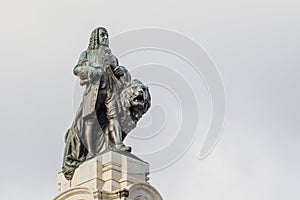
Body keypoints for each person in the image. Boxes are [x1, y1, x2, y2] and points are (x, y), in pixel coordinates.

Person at [62, 27, 131, 180]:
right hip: (94, 91)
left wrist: (122, 70)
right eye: (102, 35)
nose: (105, 37)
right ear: (96, 37)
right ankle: (91, 151)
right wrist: (91, 70)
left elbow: (120, 74)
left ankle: (118, 144)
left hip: (110, 91)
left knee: (113, 117)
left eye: (106, 35)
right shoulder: (87, 54)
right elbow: (77, 69)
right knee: (89, 121)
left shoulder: (112, 57)